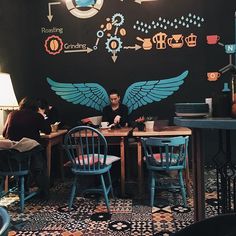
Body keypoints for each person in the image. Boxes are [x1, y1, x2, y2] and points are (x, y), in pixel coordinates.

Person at [2, 97, 51, 199]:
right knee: (39, 154)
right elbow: (48, 131)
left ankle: (23, 187)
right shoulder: (37, 116)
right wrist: (42, 116)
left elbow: (4, 133)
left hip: (11, 158)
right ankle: (44, 190)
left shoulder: (11, 114)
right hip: (28, 155)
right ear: (36, 107)